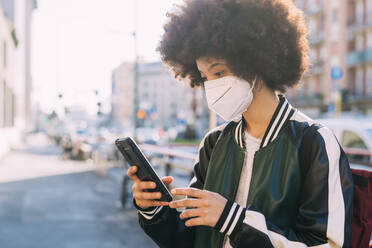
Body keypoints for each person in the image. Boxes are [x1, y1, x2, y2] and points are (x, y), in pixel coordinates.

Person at [126, 0, 354, 247]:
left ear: (255, 62)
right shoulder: (214, 144)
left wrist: (233, 221)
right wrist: (154, 211)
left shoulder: (314, 142)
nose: (211, 85)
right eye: (204, 77)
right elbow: (194, 238)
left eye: (219, 72)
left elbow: (327, 244)